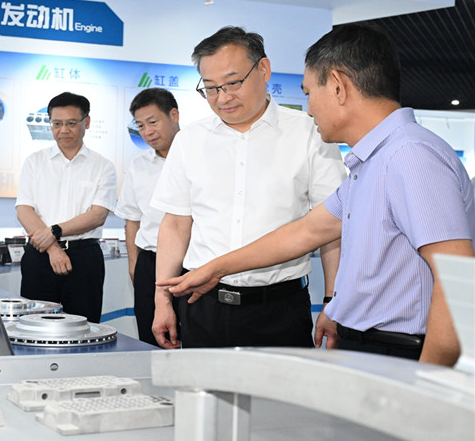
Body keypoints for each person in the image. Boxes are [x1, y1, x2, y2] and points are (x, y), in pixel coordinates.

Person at [158, 23, 474, 366]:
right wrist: (215, 269)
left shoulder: (409, 156)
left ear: (337, 86)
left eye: (309, 93)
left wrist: (427, 382)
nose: (308, 109)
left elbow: (459, 278)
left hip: (399, 350)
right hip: (368, 344)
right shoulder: (373, 162)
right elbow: (307, 231)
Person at [150, 26, 347, 350]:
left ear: (264, 69)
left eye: (232, 83)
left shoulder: (309, 133)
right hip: (203, 308)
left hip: (280, 309)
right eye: (210, 88)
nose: (222, 98)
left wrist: (332, 299)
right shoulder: (190, 140)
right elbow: (175, 224)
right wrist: (162, 300)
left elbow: (331, 228)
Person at [15, 91, 117, 323]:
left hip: (84, 258)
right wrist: (53, 248)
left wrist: (54, 232)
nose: (63, 130)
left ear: (86, 122)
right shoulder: (34, 162)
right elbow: (24, 210)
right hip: (39, 256)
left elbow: (97, 215)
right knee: (34, 327)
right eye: (57, 124)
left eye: (71, 123)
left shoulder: (103, 166)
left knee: (84, 326)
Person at [115, 88, 181, 346]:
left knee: (193, 339)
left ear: (174, 115)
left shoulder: (199, 157)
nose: (147, 131)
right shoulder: (139, 165)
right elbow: (132, 220)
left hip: (192, 263)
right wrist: (134, 267)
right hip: (150, 265)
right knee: (151, 339)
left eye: (153, 122)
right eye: (140, 126)